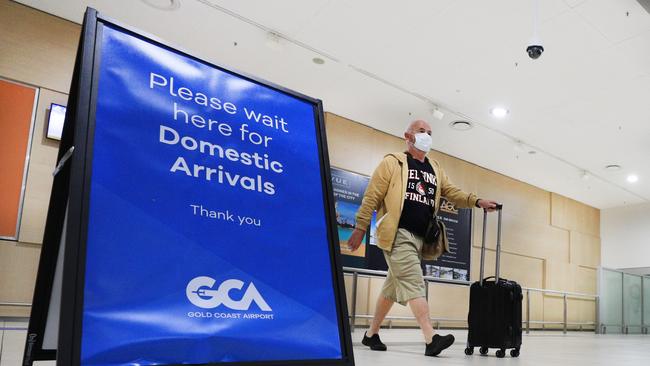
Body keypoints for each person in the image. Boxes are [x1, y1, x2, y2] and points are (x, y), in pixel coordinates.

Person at [348, 119, 498, 357]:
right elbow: (372, 196)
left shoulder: (435, 168)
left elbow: (452, 193)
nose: (426, 135)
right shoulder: (393, 162)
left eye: (429, 132)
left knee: (392, 288)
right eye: (421, 131)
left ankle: (371, 334)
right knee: (414, 280)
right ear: (408, 135)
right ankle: (431, 339)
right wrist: (360, 227)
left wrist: (477, 201)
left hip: (421, 238)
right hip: (397, 234)